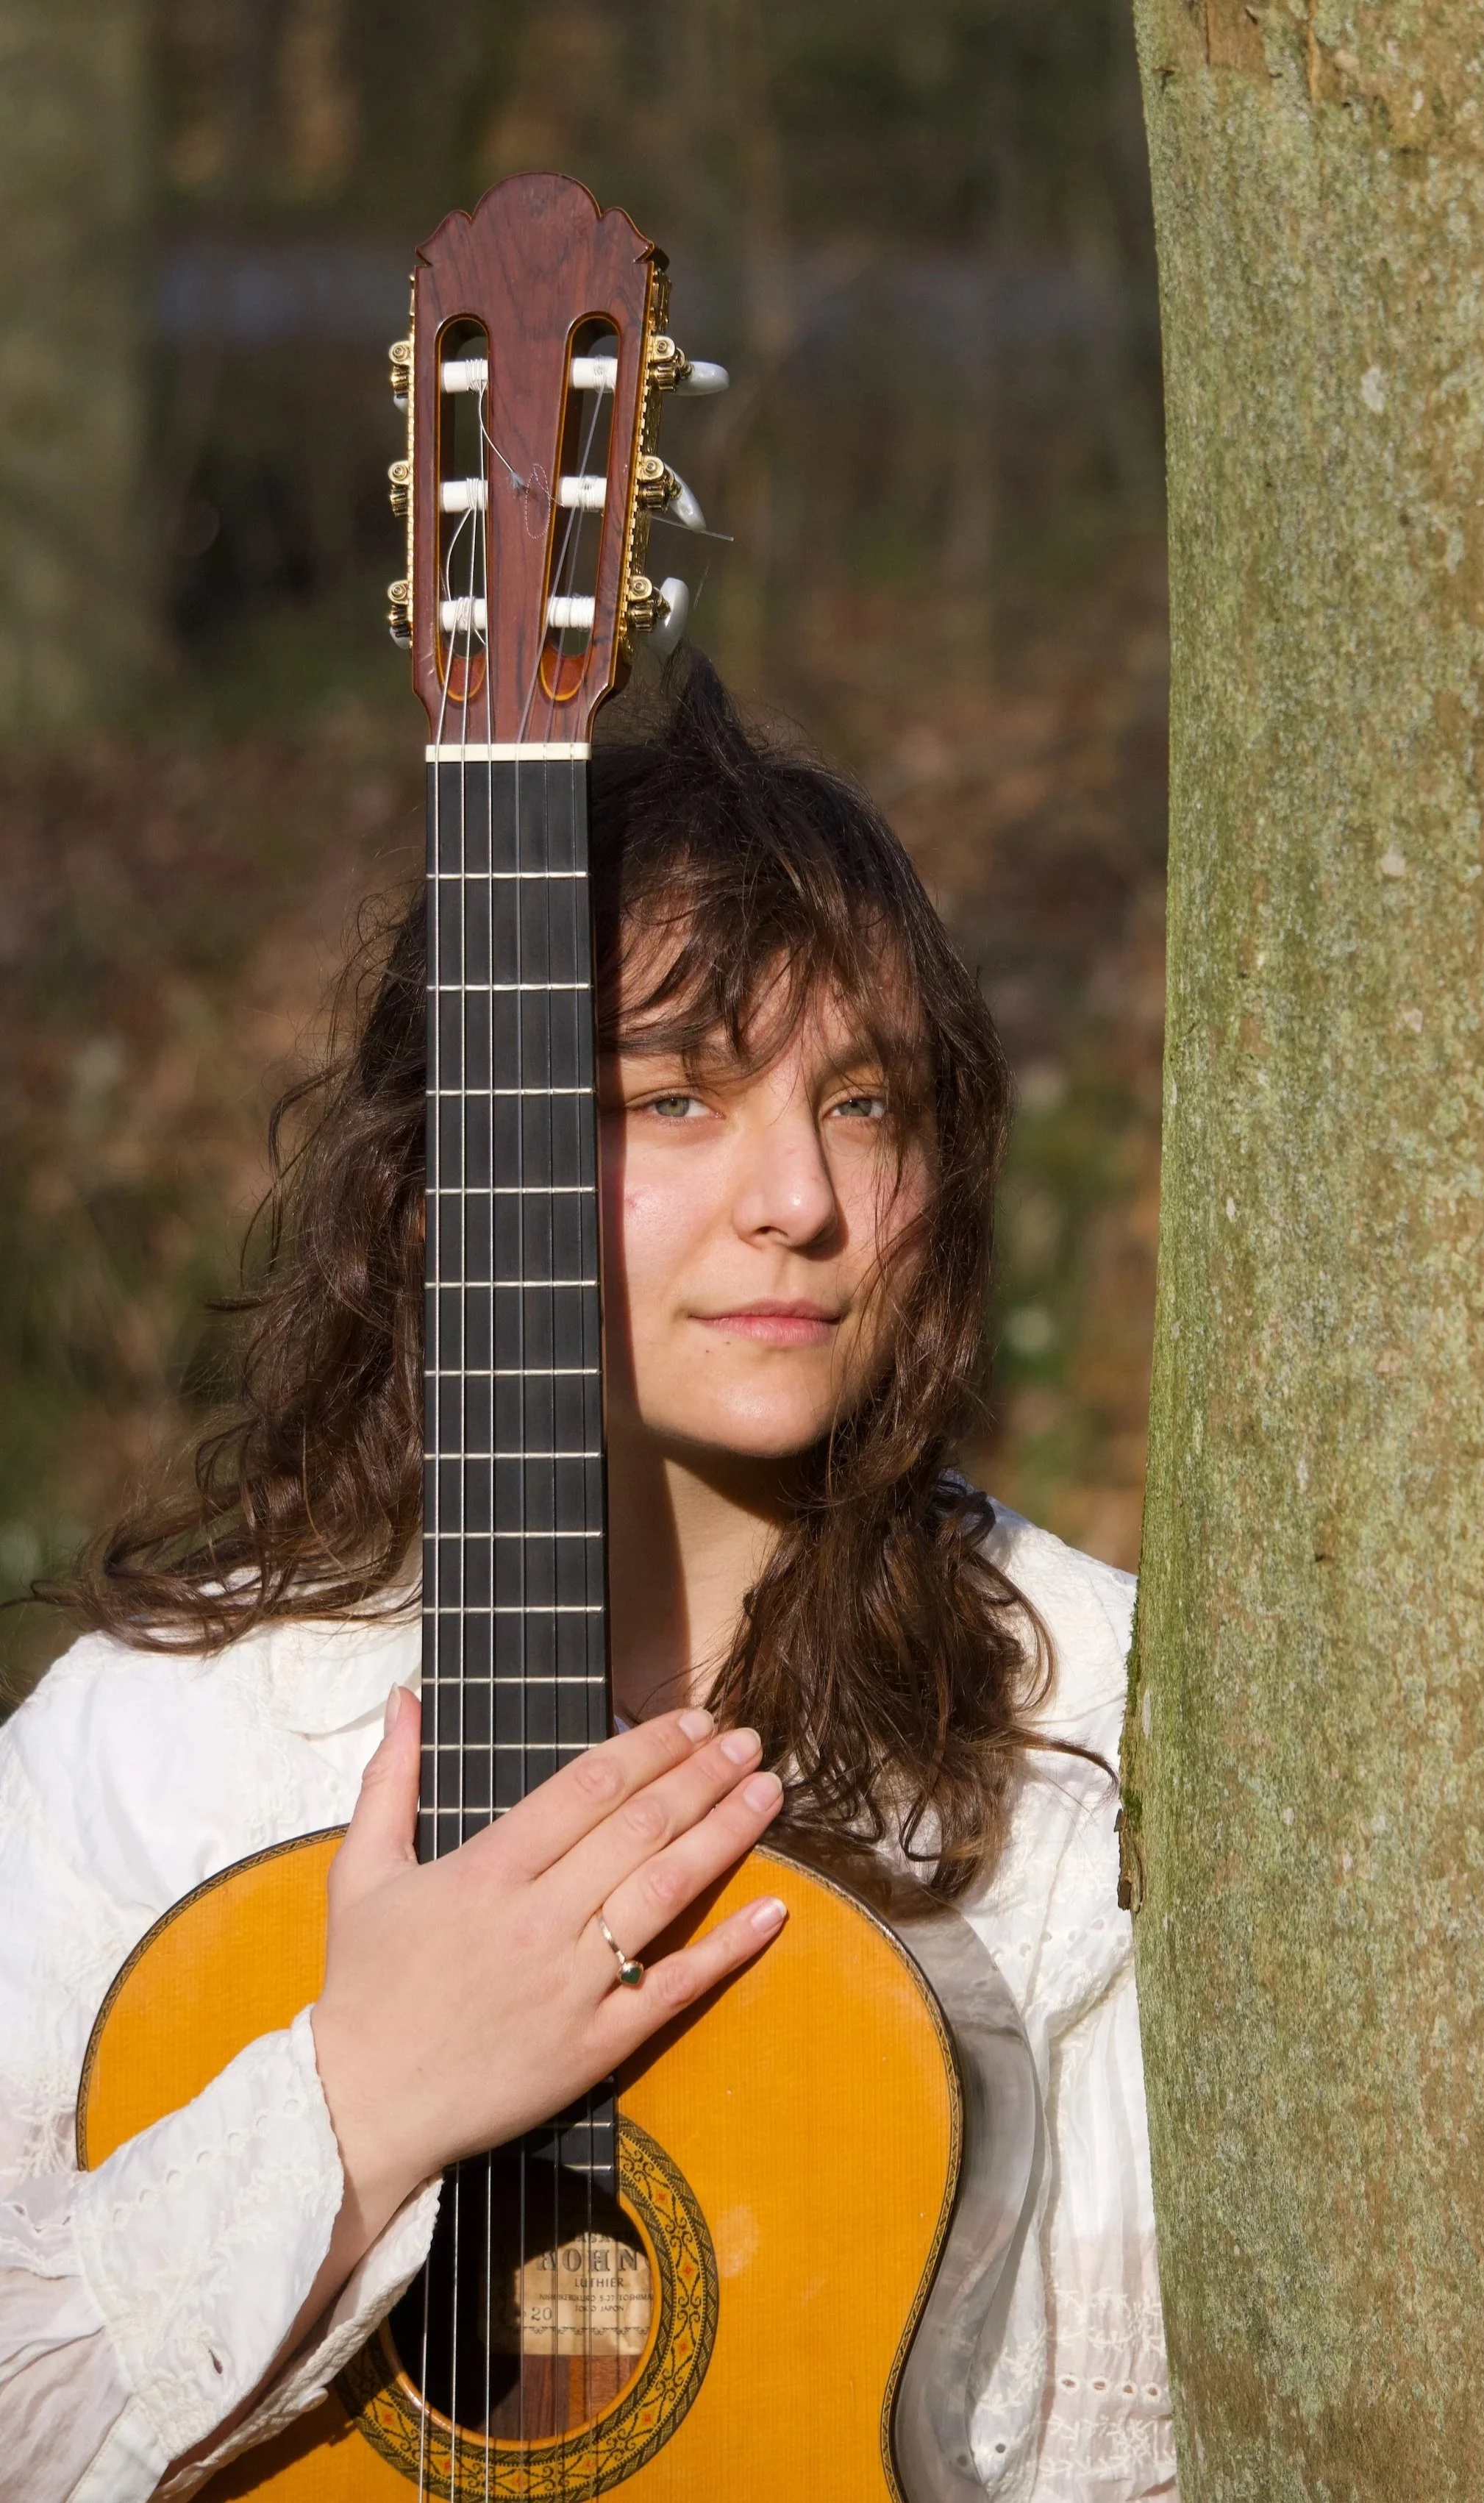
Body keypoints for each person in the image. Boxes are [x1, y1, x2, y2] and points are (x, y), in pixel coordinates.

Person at [0, 655, 1174, 2499]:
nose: (798, 1196)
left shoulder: (1098, 1741)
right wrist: (357, 2103)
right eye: (675, 1100)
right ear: (448, 1184)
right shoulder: (152, 1759)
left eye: (862, 1105)